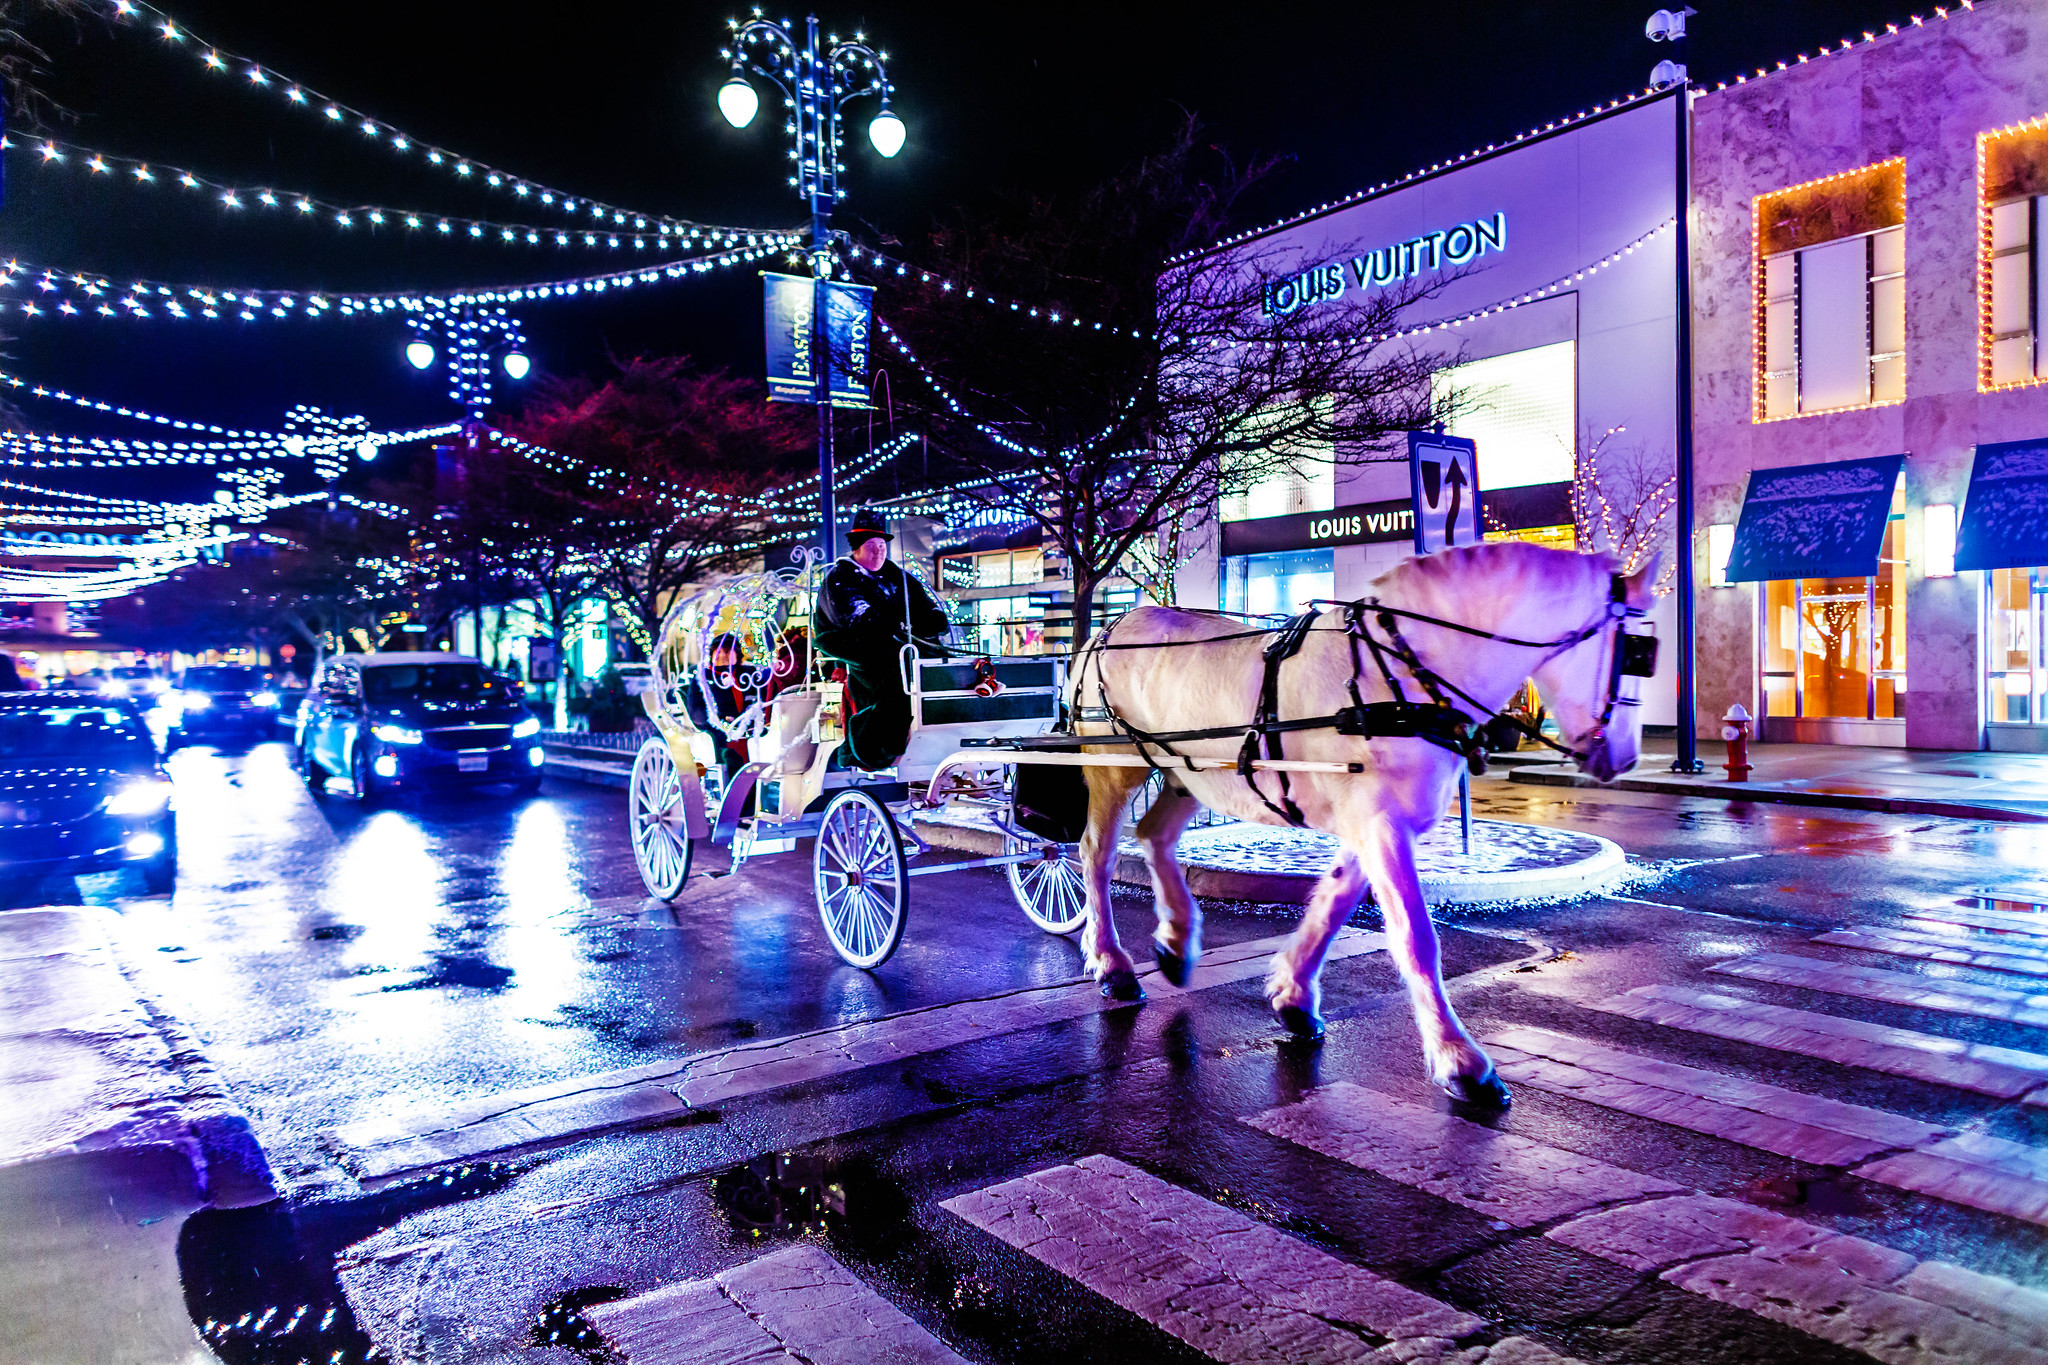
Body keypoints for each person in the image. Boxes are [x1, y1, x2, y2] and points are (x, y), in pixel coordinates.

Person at [813, 509, 951, 770]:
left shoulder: (900, 578)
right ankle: (874, 744)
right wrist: (903, 624)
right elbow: (861, 621)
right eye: (871, 546)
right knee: (896, 675)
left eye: (881, 545)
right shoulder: (840, 580)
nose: (878, 551)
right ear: (856, 549)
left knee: (946, 667)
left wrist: (925, 623)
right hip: (861, 652)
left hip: (907, 647)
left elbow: (932, 613)